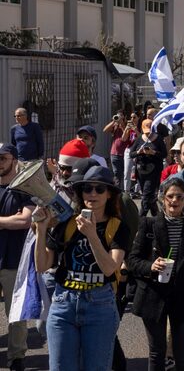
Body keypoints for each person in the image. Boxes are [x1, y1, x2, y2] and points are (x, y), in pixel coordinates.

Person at [34, 166, 129, 371]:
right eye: (87, 188)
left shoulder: (118, 226)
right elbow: (42, 265)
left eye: (99, 189)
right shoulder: (67, 222)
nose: (92, 194)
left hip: (100, 306)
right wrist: (41, 231)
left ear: (110, 194)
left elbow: (109, 268)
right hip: (63, 304)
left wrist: (92, 235)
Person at [127, 177, 184, 371]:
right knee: (156, 352)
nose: (174, 201)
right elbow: (133, 260)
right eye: (170, 196)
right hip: (154, 295)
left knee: (182, 353)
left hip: (182, 295)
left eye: (179, 196)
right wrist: (151, 266)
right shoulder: (149, 224)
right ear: (162, 199)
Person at [0, 144, 35, 371]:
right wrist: (7, 222)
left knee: (15, 313)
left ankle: (17, 358)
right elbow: (17, 220)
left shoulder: (25, 188)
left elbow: (25, 220)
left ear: (13, 160)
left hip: (14, 260)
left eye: (3, 158)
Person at [130, 119, 167, 216]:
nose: (148, 134)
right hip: (141, 171)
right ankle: (156, 216)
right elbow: (131, 154)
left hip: (154, 172)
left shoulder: (158, 139)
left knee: (146, 196)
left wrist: (153, 152)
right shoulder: (139, 139)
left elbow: (164, 154)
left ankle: (140, 219)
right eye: (146, 132)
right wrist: (139, 152)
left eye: (149, 132)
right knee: (149, 197)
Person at [105, 113, 136, 187]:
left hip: (125, 154)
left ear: (124, 117)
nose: (119, 118)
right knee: (116, 174)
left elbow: (125, 138)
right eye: (118, 116)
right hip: (114, 153)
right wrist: (114, 121)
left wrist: (122, 125)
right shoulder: (115, 125)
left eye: (121, 116)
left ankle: (125, 190)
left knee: (126, 174)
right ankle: (118, 190)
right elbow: (105, 130)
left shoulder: (128, 125)